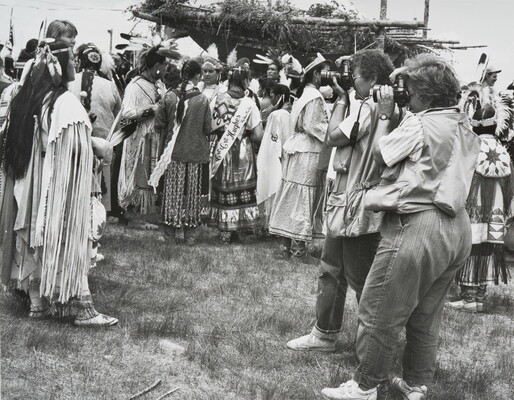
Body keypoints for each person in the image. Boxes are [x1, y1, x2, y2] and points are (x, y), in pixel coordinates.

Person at [321, 54, 481, 400]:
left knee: (380, 308)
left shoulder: (420, 123)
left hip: (418, 223)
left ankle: (365, 385)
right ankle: (415, 383)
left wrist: (387, 116)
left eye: (408, 92)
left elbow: (383, 153)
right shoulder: (463, 122)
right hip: (457, 226)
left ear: (424, 95)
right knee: (426, 312)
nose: (405, 97)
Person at [0, 41, 117, 326]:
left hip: (28, 184)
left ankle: (38, 303)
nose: (75, 65)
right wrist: (98, 147)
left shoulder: (25, 97)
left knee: (31, 241)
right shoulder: (65, 103)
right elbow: (73, 150)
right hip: (55, 185)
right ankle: (79, 307)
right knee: (65, 239)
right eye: (72, 61)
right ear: (59, 66)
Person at [287, 49, 397, 352]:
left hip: (356, 200)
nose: (352, 80)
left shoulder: (369, 107)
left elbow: (333, 136)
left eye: (356, 76)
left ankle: (369, 346)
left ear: (372, 78)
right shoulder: (377, 105)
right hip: (349, 197)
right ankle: (326, 333)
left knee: (358, 275)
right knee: (333, 267)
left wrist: (342, 100)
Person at [447, 104, 512, 313]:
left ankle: (468, 299)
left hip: (473, 209)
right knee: (486, 252)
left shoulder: (471, 146)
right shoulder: (502, 151)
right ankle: (480, 299)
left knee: (469, 250)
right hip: (496, 211)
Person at [268, 54, 329, 262]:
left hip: (298, 147)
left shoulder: (305, 94)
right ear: (317, 74)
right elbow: (314, 125)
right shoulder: (313, 96)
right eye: (323, 72)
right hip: (308, 149)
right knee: (303, 196)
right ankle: (298, 251)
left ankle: (285, 248)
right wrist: (333, 132)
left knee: (292, 195)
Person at [149, 60, 212, 243]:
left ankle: (169, 235)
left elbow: (159, 124)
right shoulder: (202, 99)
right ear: (198, 76)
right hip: (195, 154)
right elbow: (207, 129)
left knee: (171, 194)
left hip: (172, 153)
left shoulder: (169, 96)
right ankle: (189, 236)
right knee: (191, 194)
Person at [209, 58, 264, 243]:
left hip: (221, 149)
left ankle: (225, 230)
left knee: (224, 186)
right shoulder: (250, 104)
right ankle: (240, 226)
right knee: (241, 187)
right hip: (241, 152)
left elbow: (209, 126)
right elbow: (258, 135)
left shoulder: (217, 99)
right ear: (245, 82)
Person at [117, 46, 167, 218]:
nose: (167, 69)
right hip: (138, 138)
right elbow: (126, 114)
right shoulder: (135, 86)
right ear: (157, 65)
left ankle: (149, 211)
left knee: (151, 173)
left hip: (155, 137)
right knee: (137, 173)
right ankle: (133, 210)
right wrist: (151, 109)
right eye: (165, 65)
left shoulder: (160, 84)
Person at [256, 84, 292, 230]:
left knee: (273, 188)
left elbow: (273, 140)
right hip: (287, 158)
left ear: (279, 97)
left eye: (272, 96)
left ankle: (271, 225)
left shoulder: (276, 115)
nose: (270, 99)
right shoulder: (290, 113)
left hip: (275, 157)